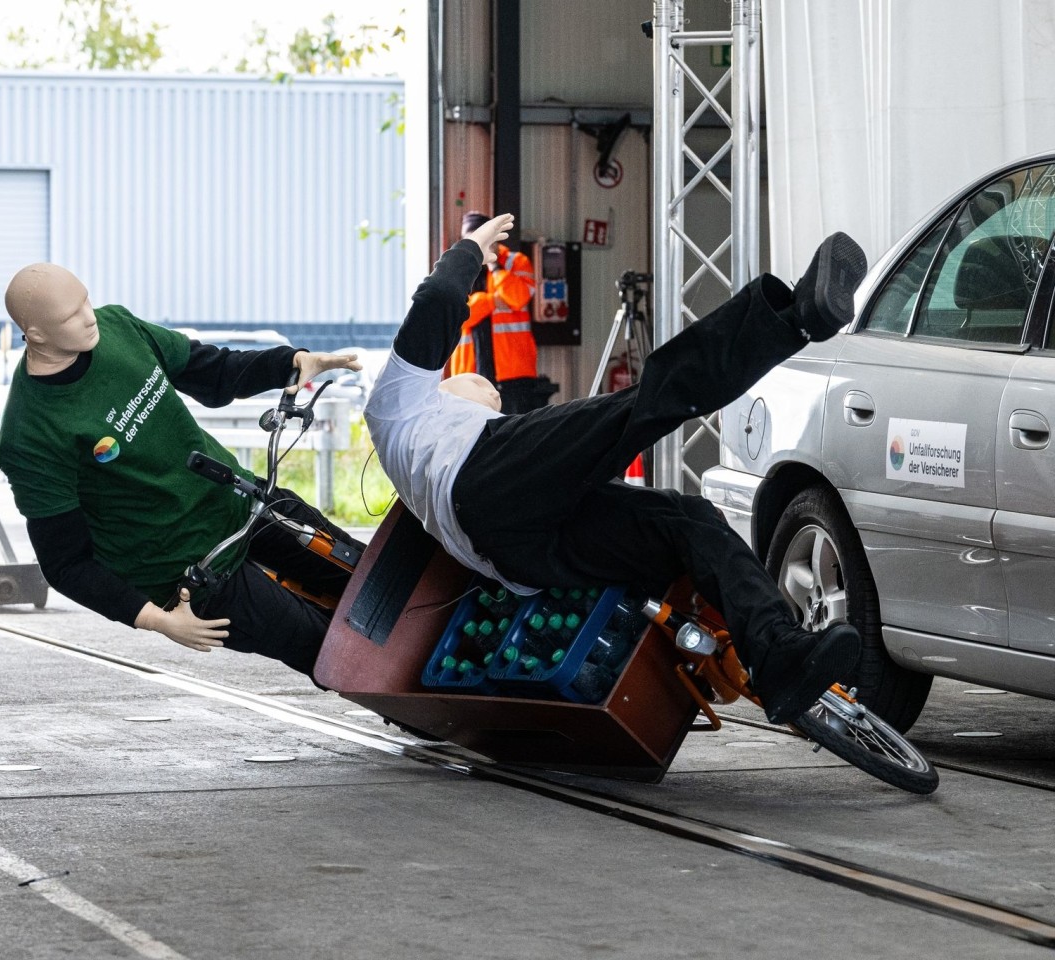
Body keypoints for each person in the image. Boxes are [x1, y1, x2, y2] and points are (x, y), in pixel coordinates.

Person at [366, 214, 866, 724]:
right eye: (477, 383)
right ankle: (794, 318)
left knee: (685, 520)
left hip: (523, 556)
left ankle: (777, 653)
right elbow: (436, 304)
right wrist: (468, 249)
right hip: (487, 479)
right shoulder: (398, 406)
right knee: (639, 407)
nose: (489, 389)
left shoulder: (425, 462)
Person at [0, 262, 362, 679]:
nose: (88, 317)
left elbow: (211, 370)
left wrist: (290, 363)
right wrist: (156, 619)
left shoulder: (118, 327)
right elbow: (66, 564)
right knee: (334, 652)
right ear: (37, 334)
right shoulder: (30, 434)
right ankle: (429, 721)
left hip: (241, 503)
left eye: (86, 301)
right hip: (191, 571)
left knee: (371, 581)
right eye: (70, 316)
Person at [448, 210, 543, 413]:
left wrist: (494, 265)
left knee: (516, 437)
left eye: (483, 237)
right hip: (469, 376)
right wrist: (492, 300)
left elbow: (519, 297)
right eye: (472, 239)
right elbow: (458, 317)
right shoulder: (456, 267)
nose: (478, 245)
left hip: (514, 374)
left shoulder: (516, 262)